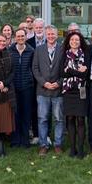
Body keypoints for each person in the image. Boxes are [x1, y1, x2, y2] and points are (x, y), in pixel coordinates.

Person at [33, 24, 64, 155]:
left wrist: (59, 83)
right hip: (43, 90)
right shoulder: (39, 50)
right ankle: (43, 144)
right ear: (46, 35)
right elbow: (35, 68)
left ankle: (58, 144)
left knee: (59, 119)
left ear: (57, 35)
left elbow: (66, 69)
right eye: (49, 34)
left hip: (58, 91)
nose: (51, 36)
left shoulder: (63, 49)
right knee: (43, 119)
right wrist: (44, 83)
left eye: (53, 34)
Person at [61, 30, 89, 159]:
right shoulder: (64, 54)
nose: (74, 42)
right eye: (72, 40)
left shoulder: (86, 54)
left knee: (81, 119)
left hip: (81, 90)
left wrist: (71, 71)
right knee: (70, 119)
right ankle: (73, 149)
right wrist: (76, 71)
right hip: (68, 91)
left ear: (80, 41)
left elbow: (85, 75)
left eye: (77, 40)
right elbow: (62, 73)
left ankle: (81, 149)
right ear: (68, 41)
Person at [8, 28, 34, 148]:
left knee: (26, 113)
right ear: (15, 38)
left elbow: (33, 69)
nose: (20, 38)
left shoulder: (31, 51)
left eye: (22, 36)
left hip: (27, 87)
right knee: (15, 114)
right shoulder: (10, 51)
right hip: (13, 87)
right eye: (18, 36)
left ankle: (25, 140)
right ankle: (15, 140)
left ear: (26, 37)